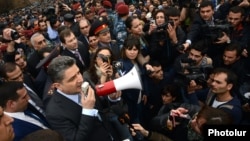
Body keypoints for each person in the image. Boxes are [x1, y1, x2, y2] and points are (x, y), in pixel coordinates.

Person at [45, 56, 131, 141]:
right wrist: (87, 111)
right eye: (72, 79)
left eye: (78, 73)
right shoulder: (54, 113)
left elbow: (102, 108)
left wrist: (111, 98)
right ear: (58, 86)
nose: (80, 79)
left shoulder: (84, 84)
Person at [131, 105, 233, 141]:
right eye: (197, 118)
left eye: (198, 125)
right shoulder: (188, 110)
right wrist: (148, 133)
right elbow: (153, 123)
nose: (193, 121)